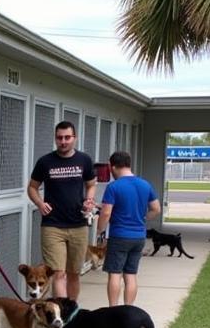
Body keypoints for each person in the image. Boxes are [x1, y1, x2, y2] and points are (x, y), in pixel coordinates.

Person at [28, 121, 96, 300]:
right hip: (52, 225)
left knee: (74, 273)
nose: (63, 141)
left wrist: (89, 200)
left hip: (78, 225)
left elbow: (91, 184)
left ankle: (71, 313)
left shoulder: (84, 160)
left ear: (75, 138)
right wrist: (40, 203)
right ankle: (62, 315)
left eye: (67, 137)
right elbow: (32, 187)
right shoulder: (45, 162)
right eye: (60, 138)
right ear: (55, 139)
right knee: (58, 273)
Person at [96, 150, 161, 306]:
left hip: (119, 236)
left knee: (115, 274)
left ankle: (113, 309)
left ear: (112, 167)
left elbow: (106, 213)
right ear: (129, 164)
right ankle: (128, 309)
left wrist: (100, 230)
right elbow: (156, 209)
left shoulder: (114, 187)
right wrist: (143, 218)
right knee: (131, 275)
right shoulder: (145, 184)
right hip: (138, 236)